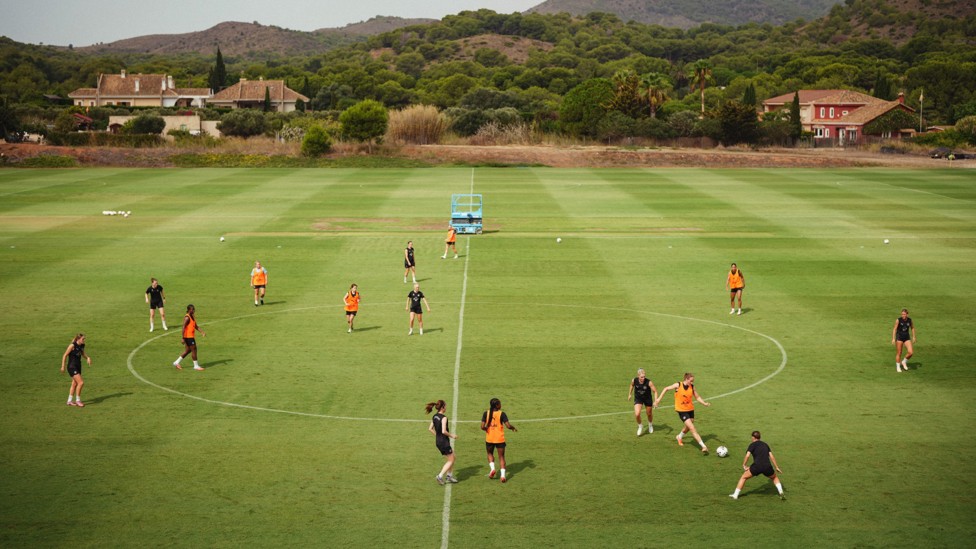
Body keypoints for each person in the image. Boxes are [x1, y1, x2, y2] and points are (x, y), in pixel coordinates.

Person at [655, 373, 711, 454]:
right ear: (686, 379)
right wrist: (658, 400)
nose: (692, 383)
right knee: (692, 428)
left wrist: (704, 403)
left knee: (689, 425)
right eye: (691, 381)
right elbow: (666, 388)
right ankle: (703, 446)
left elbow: (697, 397)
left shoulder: (692, 386)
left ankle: (679, 436)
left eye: (693, 381)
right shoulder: (678, 385)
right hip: (681, 410)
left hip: (690, 409)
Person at [729, 430, 785, 500]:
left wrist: (744, 464)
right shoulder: (765, 444)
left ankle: (735, 495)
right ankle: (781, 492)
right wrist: (776, 467)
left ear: (753, 437)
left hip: (757, 466)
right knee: (774, 477)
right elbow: (771, 456)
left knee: (743, 477)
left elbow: (747, 455)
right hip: (767, 466)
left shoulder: (752, 445)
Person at [481, 397, 518, 483]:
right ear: (497, 405)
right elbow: (508, 426)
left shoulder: (486, 413)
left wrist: (487, 429)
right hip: (499, 439)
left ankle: (493, 469)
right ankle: (502, 476)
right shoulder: (502, 414)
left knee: (489, 453)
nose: (501, 405)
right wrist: (513, 428)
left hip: (489, 438)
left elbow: (482, 427)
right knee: (501, 457)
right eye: (500, 403)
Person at [426, 400, 458, 485]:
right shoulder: (444, 418)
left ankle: (449, 476)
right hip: (444, 442)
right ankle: (440, 476)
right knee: (451, 460)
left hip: (438, 441)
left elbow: (430, 429)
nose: (446, 408)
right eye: (445, 406)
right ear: (442, 407)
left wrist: (438, 436)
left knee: (453, 456)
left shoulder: (435, 416)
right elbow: (444, 431)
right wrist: (452, 436)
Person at [60, 333, 91, 407]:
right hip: (72, 367)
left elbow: (82, 353)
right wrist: (63, 366)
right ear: (78, 339)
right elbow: (65, 355)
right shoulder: (72, 345)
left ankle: (69, 401)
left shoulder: (82, 345)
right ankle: (78, 400)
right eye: (83, 339)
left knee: (74, 384)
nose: (84, 340)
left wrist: (88, 358)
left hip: (78, 366)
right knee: (81, 383)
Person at [173, 304, 206, 371]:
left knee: (188, 351)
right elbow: (183, 327)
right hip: (188, 337)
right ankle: (196, 366)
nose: (193, 310)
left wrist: (202, 332)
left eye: (194, 309)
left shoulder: (192, 316)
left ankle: (176, 362)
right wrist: (182, 338)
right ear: (188, 310)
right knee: (194, 349)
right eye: (192, 309)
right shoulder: (187, 317)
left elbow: (195, 326)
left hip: (190, 336)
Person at [627, 368, 658, 436]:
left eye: (644, 376)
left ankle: (650, 425)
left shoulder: (649, 382)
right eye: (641, 377)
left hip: (647, 399)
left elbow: (655, 391)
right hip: (638, 399)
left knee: (649, 414)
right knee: (637, 414)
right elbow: (632, 385)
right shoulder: (634, 380)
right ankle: (640, 426)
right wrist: (630, 394)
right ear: (638, 376)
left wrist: (656, 401)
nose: (643, 378)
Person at [892, 308, 916, 372]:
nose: (903, 315)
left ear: (907, 314)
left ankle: (904, 362)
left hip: (907, 337)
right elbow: (894, 329)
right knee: (899, 352)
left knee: (911, 352)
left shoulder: (909, 320)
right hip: (899, 337)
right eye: (902, 314)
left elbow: (912, 328)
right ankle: (898, 367)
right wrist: (893, 338)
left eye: (904, 314)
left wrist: (914, 337)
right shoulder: (898, 320)